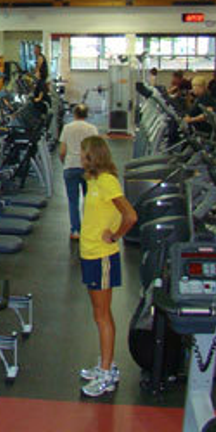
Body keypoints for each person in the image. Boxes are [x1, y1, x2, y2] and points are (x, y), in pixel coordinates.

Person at [78, 136, 137, 398]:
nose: (80, 157)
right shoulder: (92, 180)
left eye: (83, 153)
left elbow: (130, 215)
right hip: (90, 253)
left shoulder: (107, 181)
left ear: (93, 155)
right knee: (99, 313)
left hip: (102, 255)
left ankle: (106, 373)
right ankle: (106, 364)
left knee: (102, 315)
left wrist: (115, 236)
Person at [58, 104, 99, 240]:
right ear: (86, 115)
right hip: (88, 167)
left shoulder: (67, 128)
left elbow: (62, 151)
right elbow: (96, 150)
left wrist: (64, 163)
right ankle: (88, 229)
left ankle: (75, 230)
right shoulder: (92, 129)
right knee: (89, 200)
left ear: (74, 114)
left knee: (73, 201)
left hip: (71, 166)